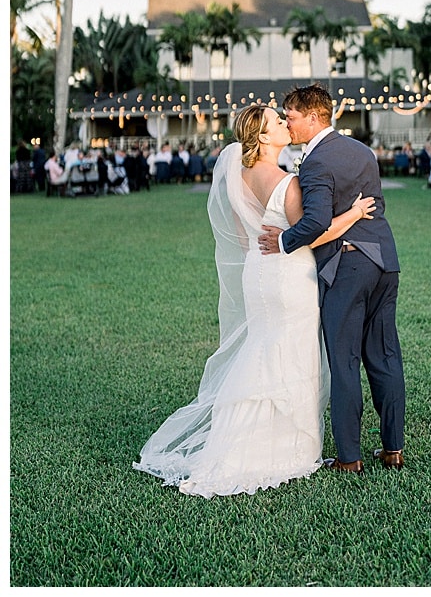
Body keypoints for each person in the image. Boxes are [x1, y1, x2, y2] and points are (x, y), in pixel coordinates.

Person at [133, 103, 375, 497]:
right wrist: (353, 213)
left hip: (256, 273)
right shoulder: (285, 182)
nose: (285, 122)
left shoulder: (237, 176)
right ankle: (289, 447)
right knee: (293, 353)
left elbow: (245, 239)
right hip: (288, 275)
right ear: (263, 136)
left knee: (263, 349)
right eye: (278, 121)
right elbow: (311, 235)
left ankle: (245, 438)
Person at [258, 83, 406, 474]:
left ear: (312, 116)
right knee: (385, 354)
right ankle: (393, 450)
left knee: (344, 362)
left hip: (348, 267)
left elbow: (316, 220)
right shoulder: (362, 151)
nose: (287, 123)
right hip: (385, 263)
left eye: (290, 116)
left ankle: (349, 457)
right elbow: (377, 205)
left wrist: (284, 240)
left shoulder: (317, 162)